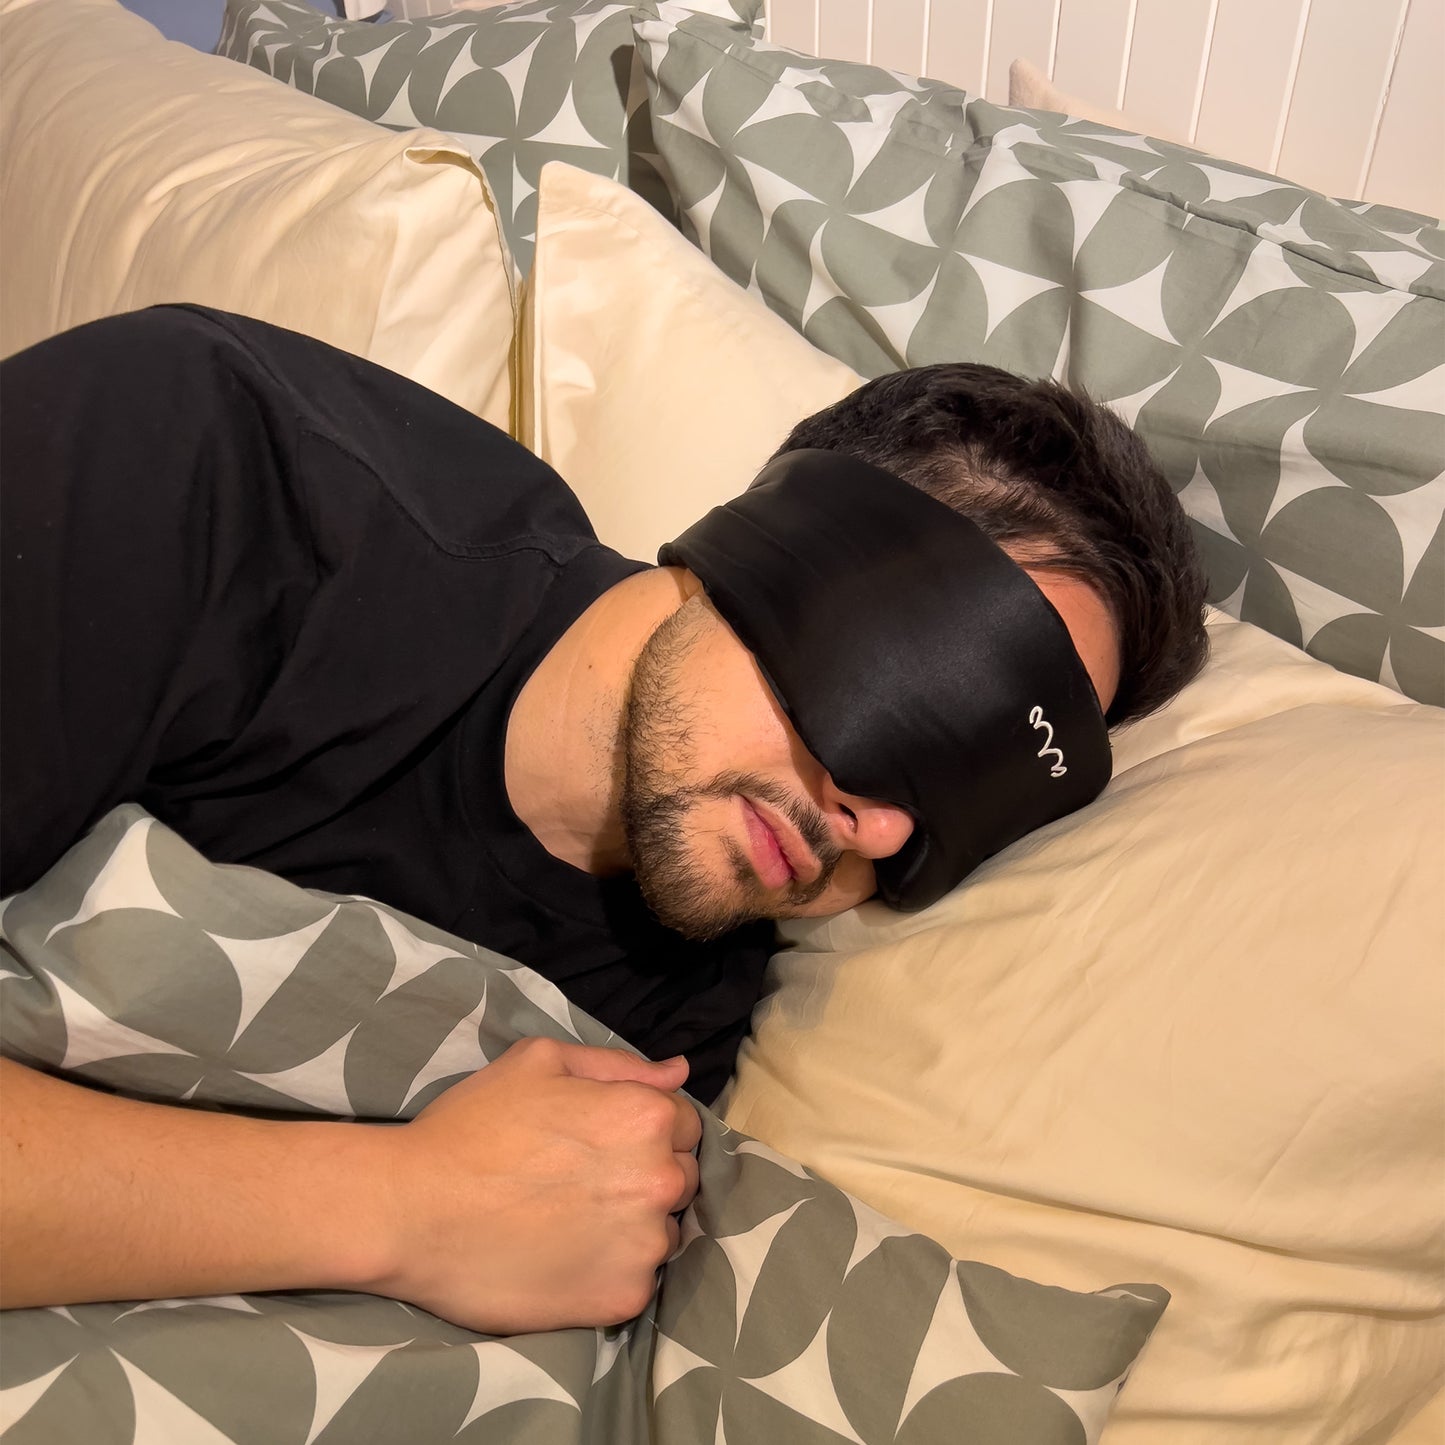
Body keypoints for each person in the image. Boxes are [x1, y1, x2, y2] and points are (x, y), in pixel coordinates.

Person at [0, 306, 1208, 1332]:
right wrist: (400, 1203)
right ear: (784, 539)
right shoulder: (201, 461)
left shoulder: (679, 1026)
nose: (881, 830)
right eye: (925, 701)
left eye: (972, 794)